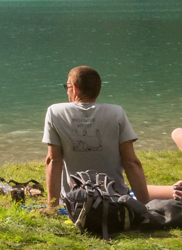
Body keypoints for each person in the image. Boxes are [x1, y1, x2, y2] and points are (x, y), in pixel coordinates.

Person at [42, 65, 149, 208]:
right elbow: (131, 162)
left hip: (75, 201)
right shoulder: (116, 112)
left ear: (74, 88)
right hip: (115, 200)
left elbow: (53, 160)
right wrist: (146, 206)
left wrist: (52, 207)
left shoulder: (55, 112)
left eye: (67, 86)